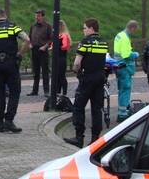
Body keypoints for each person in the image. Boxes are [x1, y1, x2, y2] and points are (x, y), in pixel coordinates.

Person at [66, 18, 108, 147]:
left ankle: (79, 137)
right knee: (96, 109)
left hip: (87, 79)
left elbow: (77, 62)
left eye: (84, 28)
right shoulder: (103, 43)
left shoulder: (85, 42)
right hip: (100, 78)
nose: (83, 30)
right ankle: (95, 139)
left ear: (91, 28)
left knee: (78, 107)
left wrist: (75, 70)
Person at [112, 20, 140, 121]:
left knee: (121, 90)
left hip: (119, 66)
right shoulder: (124, 38)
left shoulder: (119, 35)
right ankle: (122, 113)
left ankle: (122, 110)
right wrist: (135, 54)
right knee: (125, 89)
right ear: (132, 28)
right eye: (135, 30)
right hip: (124, 67)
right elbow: (126, 54)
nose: (134, 32)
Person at [28, 9, 53, 97]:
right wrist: (30, 44)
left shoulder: (47, 26)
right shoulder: (33, 26)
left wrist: (45, 46)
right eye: (36, 16)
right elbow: (29, 37)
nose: (36, 17)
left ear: (43, 16)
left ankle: (46, 91)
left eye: (38, 16)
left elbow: (51, 39)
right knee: (36, 71)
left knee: (45, 71)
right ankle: (35, 90)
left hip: (43, 50)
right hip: (34, 50)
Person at [56, 20, 72, 97]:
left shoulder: (64, 35)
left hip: (61, 58)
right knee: (58, 75)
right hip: (58, 57)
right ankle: (58, 91)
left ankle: (64, 92)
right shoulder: (58, 35)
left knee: (61, 75)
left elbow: (65, 46)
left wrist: (57, 47)